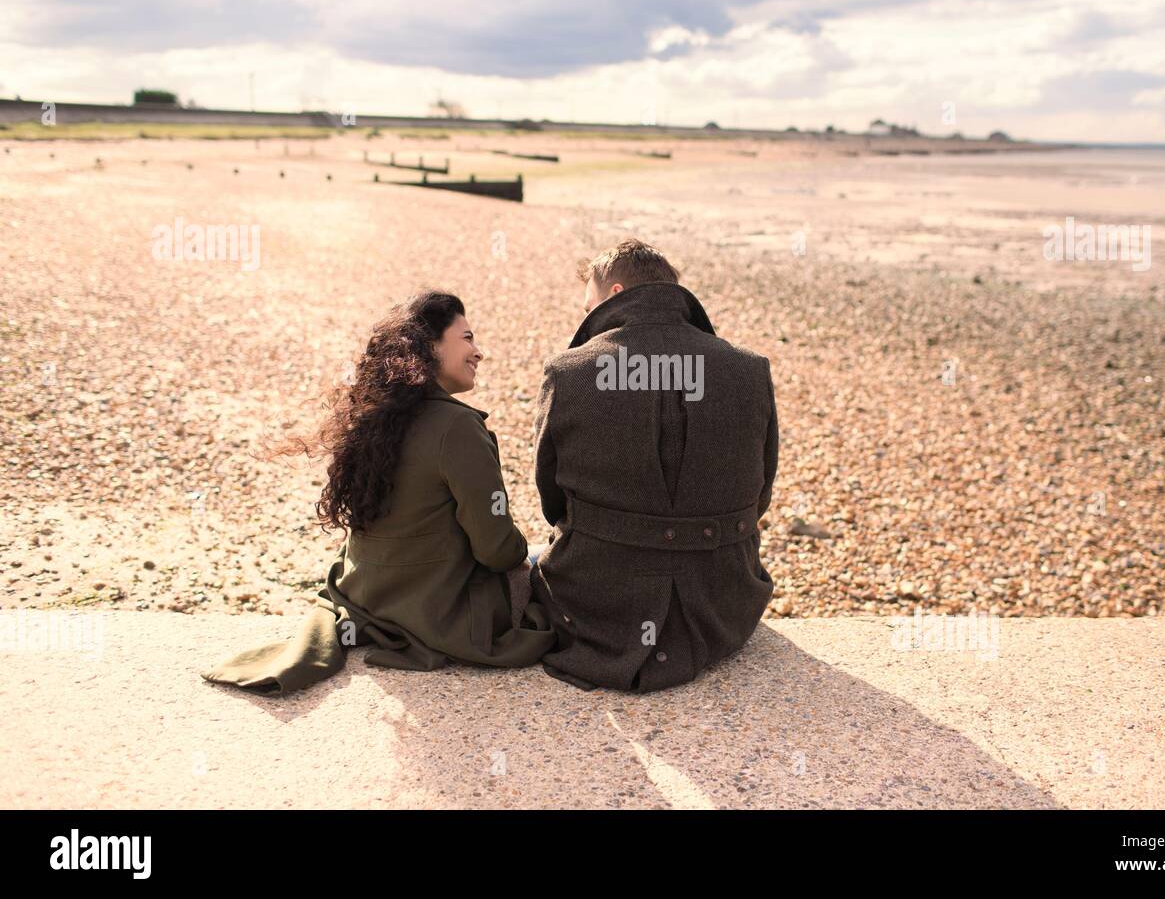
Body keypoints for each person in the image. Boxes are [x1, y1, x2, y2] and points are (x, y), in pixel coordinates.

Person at [202, 291, 554, 696]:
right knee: (547, 558)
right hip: (437, 613)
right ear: (430, 347)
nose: (479, 353)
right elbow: (496, 550)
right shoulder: (457, 427)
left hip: (366, 599)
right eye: (468, 338)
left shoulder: (374, 416)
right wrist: (526, 554)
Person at [530, 239, 779, 692]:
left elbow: (550, 498)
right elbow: (760, 494)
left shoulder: (569, 372)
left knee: (527, 558)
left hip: (597, 602)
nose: (584, 319)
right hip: (723, 607)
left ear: (615, 292)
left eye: (588, 306)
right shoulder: (749, 369)